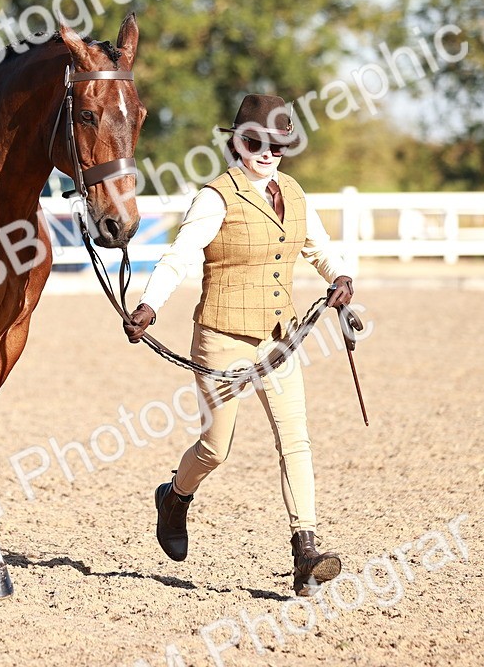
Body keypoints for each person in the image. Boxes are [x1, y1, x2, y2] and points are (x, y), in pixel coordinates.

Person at [123, 94, 354, 597]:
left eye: (278, 145)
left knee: (295, 440)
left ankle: (305, 553)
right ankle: (175, 497)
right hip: (222, 338)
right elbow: (180, 256)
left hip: (280, 340)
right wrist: (149, 305)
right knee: (215, 448)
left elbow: (317, 247)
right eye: (255, 142)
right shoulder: (215, 197)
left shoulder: (293, 193)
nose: (266, 153)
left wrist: (339, 276)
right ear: (235, 143)